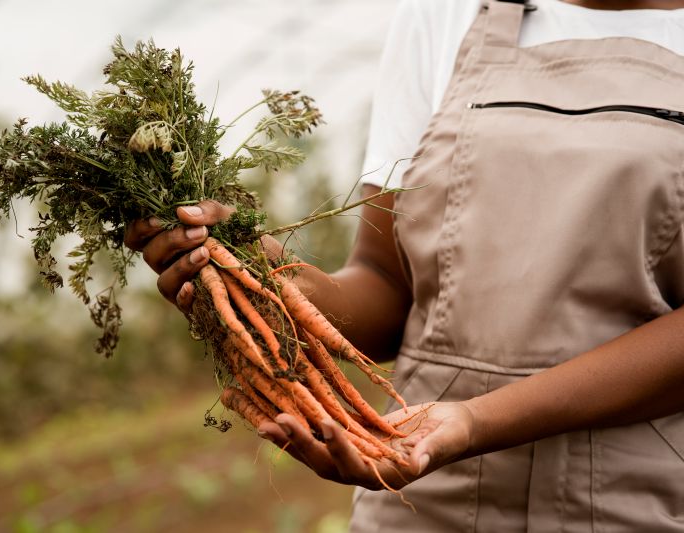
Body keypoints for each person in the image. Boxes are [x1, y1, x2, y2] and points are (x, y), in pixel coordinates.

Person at [124, 0, 684, 530]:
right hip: (417, 492)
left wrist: (473, 422)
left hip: (627, 501)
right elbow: (389, 285)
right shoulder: (448, 12)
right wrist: (258, 271)